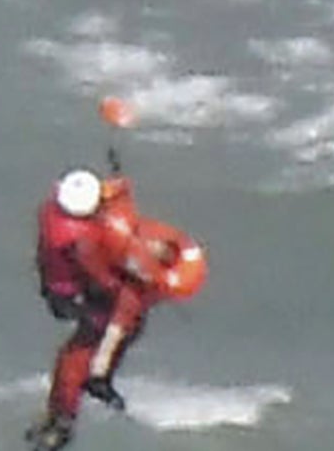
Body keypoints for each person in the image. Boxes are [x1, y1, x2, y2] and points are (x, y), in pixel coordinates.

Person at [28, 163, 205, 450]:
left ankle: (85, 392)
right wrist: (125, 283)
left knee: (109, 335)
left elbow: (109, 198)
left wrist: (118, 181)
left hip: (60, 283)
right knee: (88, 347)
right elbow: (100, 276)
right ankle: (74, 408)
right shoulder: (80, 241)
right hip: (76, 293)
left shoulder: (51, 211)